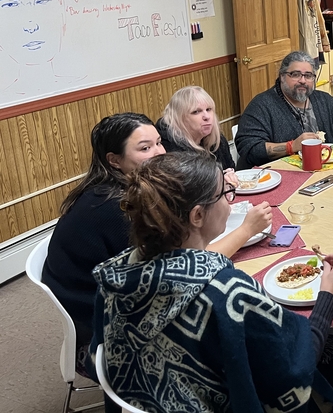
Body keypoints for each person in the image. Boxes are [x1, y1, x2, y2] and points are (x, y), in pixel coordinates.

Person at [92, 151, 333, 413]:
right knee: (310, 331)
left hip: (142, 400)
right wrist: (328, 296)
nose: (231, 201)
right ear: (197, 216)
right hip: (215, 402)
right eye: (224, 194)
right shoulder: (227, 293)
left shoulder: (116, 273)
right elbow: (292, 371)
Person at [42, 113, 272, 374]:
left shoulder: (128, 189)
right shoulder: (117, 208)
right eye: (145, 148)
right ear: (114, 160)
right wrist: (246, 230)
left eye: (159, 142)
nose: (160, 153)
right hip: (103, 331)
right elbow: (186, 270)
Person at [235, 51, 333, 166]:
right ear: (281, 76)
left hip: (321, 172)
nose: (303, 80)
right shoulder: (262, 105)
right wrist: (291, 146)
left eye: (308, 75)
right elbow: (249, 147)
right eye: (295, 74)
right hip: (273, 178)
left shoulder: (325, 100)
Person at [156, 85, 239, 187]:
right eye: (196, 112)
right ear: (180, 119)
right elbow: (187, 191)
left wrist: (230, 176)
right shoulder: (169, 149)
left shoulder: (217, 139)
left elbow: (231, 169)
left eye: (208, 109)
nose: (207, 117)